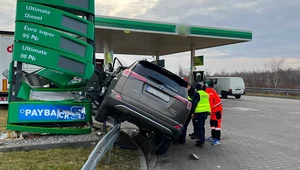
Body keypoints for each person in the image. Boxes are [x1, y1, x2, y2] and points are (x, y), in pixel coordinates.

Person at [191, 83, 211, 147]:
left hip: (199, 112)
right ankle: (202, 139)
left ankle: (201, 141)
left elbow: (194, 103)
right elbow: (207, 103)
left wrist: (192, 112)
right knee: (202, 126)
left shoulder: (197, 93)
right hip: (205, 113)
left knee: (199, 127)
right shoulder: (206, 94)